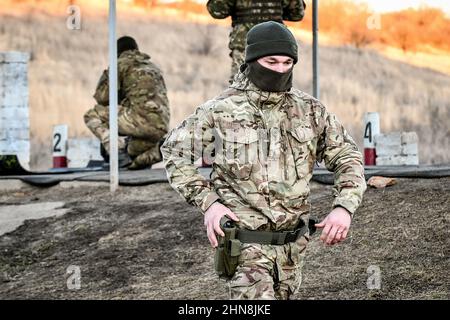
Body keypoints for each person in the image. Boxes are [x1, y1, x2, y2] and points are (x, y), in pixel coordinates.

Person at [161, 21, 366, 300]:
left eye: (287, 62)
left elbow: (346, 156)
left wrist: (344, 206)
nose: (280, 70)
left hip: (293, 250)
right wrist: (210, 204)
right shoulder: (220, 110)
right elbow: (175, 153)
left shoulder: (309, 110)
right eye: (271, 61)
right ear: (252, 60)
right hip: (245, 247)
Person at [84, 36, 170, 170]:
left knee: (92, 115)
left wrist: (108, 72)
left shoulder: (121, 64)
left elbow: (102, 97)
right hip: (161, 126)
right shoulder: (153, 67)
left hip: (139, 121)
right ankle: (160, 150)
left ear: (117, 53)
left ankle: (116, 152)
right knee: (130, 155)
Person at [206, 0, 307, 80]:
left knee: (243, 87)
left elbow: (217, 11)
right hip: (266, 45)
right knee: (245, 87)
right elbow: (296, 13)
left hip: (252, 46)